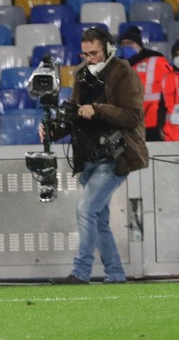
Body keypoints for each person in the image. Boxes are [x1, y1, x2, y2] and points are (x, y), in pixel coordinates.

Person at [42, 27, 149, 284]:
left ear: (108, 49)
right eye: (85, 53)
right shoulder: (81, 75)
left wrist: (98, 109)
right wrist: (52, 130)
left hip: (116, 155)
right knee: (98, 218)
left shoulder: (124, 74)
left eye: (94, 53)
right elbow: (72, 113)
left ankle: (81, 271)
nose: (89, 58)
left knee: (86, 209)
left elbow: (133, 116)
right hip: (88, 155)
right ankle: (115, 274)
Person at [119, 26, 172, 141]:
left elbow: (170, 86)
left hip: (154, 122)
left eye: (130, 43)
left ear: (139, 45)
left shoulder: (156, 61)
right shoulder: (119, 67)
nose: (126, 46)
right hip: (130, 125)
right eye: (123, 44)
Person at [161, 37, 179, 141]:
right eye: (176, 55)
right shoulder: (167, 78)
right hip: (170, 138)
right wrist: (160, 128)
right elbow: (161, 108)